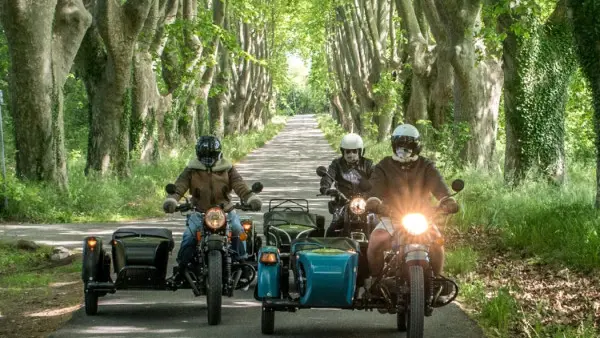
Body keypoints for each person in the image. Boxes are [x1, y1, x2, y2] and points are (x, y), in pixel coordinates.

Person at [364, 124, 459, 301]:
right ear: (393, 145)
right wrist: (374, 202)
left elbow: (439, 187)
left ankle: (435, 282)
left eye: (408, 147)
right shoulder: (383, 166)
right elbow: (374, 190)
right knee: (375, 241)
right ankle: (377, 281)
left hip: (423, 217)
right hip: (391, 217)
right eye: (400, 146)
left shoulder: (426, 165)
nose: (403, 150)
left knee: (437, 243)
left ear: (416, 147)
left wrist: (447, 200)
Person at [163, 135, 262, 278]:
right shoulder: (191, 170)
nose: (208, 158)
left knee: (237, 230)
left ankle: (242, 263)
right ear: (198, 154)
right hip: (200, 211)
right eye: (204, 155)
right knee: (189, 237)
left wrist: (251, 198)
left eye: (212, 155)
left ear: (219, 154)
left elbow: (239, 185)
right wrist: (171, 201)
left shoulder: (227, 169)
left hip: (226, 211)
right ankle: (182, 267)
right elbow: (179, 186)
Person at [319, 133, 374, 237]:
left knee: (377, 225)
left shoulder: (368, 164)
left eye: (354, 151)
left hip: (365, 201)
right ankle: (330, 249)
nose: (351, 154)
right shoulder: (337, 164)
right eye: (347, 151)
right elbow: (329, 175)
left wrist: (382, 189)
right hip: (343, 201)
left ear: (360, 151)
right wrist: (325, 187)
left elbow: (376, 178)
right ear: (343, 151)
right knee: (333, 228)